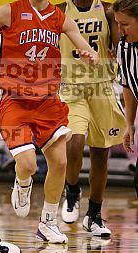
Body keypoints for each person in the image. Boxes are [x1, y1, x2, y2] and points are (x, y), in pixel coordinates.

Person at [0, 0, 99, 243]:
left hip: (47, 99)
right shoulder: (9, 11)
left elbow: (81, 42)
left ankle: (48, 223)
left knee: (59, 162)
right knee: (28, 165)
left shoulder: (59, 17)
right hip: (12, 98)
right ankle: (22, 182)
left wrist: (90, 54)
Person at [59, 0, 125, 238]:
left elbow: (120, 43)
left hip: (102, 87)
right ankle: (72, 190)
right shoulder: (59, 9)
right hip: (71, 88)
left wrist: (116, 49)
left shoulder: (108, 10)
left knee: (100, 153)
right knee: (74, 142)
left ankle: (94, 215)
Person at [113, 0, 138, 253]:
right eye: (118, 23)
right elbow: (128, 86)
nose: (120, 29)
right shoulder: (123, 47)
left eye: (125, 24)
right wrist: (129, 123)